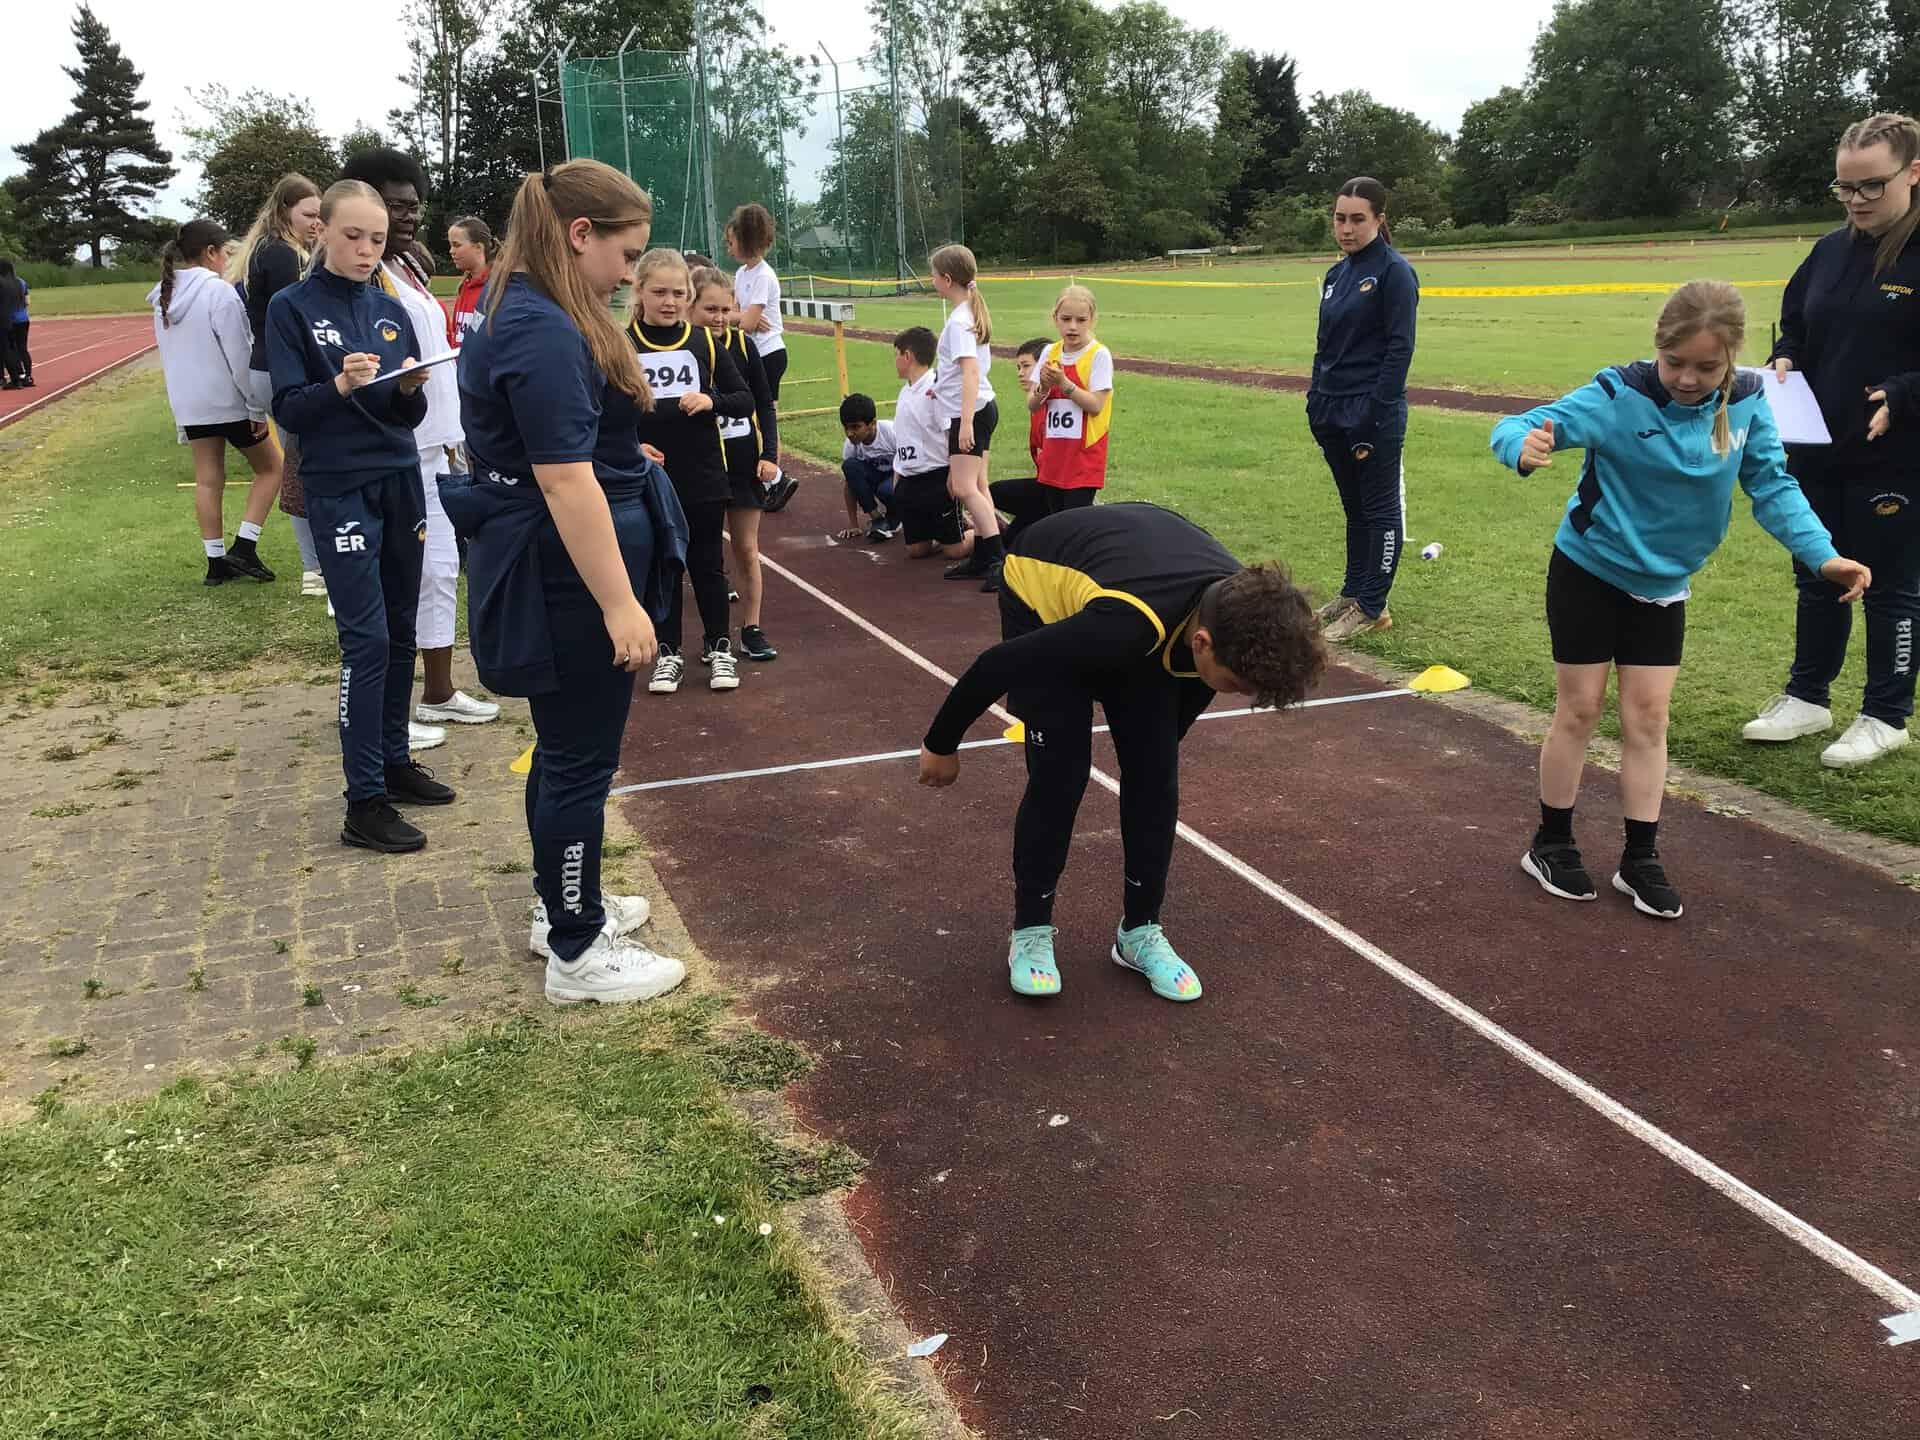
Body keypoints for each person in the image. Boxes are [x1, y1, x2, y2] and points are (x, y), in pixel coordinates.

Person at [1492, 281, 1872, 922]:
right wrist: (1522, 449)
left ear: (1731, 360)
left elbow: (1773, 486)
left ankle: (1640, 857)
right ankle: (1551, 843)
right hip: (1590, 570)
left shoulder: (1749, 403)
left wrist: (1824, 556)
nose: (1689, 380)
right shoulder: (1618, 394)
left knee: (1648, 719)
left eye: (1706, 367)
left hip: (1664, 584)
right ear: (1657, 349)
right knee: (1580, 709)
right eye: (1675, 364)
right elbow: (1520, 425)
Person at [445, 159, 687, 1005]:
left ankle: (561, 907)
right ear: (581, 235)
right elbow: (562, 478)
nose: (629, 274)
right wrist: (620, 605)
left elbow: (567, 452)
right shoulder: (541, 326)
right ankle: (578, 952)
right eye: (628, 254)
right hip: (567, 574)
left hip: (557, 557)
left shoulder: (528, 308)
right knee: (581, 760)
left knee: (561, 751)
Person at [918, 503, 1325, 1000]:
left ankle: (1139, 932)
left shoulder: (1234, 618)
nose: (1237, 694)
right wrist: (941, 743)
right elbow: (997, 664)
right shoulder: (1128, 626)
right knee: (1060, 776)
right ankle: (1030, 929)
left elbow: (1157, 750)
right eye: (1237, 685)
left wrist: (1148, 754)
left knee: (1154, 777)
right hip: (1043, 594)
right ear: (1202, 643)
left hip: (1129, 593)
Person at [267, 179, 451, 853]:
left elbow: (408, 414)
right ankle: (363, 802)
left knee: (402, 627)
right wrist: (341, 384)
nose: (366, 249)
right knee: (366, 639)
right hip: (339, 486)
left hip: (400, 477)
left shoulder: (389, 307)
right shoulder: (291, 306)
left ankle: (395, 761)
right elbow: (289, 408)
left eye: (376, 239)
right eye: (353, 235)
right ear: (321, 231)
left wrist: (408, 389)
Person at [1742, 111, 1920, 771]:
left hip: (1896, 454)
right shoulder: (1827, 251)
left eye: (1871, 185)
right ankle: (1807, 697)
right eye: (1845, 187)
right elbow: (1796, 324)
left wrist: (1903, 394)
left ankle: (1886, 715)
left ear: (1913, 173)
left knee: (1890, 587)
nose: (1856, 200)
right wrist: (1785, 356)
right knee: (1818, 574)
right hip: (1816, 446)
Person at [338, 149, 497, 745]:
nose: (409, 217)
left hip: (438, 443)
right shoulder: (359, 277)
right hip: (393, 449)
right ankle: (386, 712)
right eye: (396, 206)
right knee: (392, 583)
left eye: (413, 206)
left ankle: (438, 690)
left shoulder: (407, 268)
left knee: (440, 571)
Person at [626, 249, 754, 695]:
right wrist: (631, 446)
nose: (669, 302)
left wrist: (710, 400)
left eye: (678, 293)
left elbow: (744, 399)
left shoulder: (704, 342)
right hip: (649, 479)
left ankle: (719, 648)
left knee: (707, 566)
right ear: (640, 291)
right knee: (662, 568)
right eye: (659, 292)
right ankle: (668, 653)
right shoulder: (622, 344)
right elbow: (601, 411)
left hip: (702, 473)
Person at [1309, 176, 1419, 643]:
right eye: (1340, 218)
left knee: (1379, 508)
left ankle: (1373, 606)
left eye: (1357, 219)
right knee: (1353, 508)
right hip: (1330, 407)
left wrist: (1376, 409)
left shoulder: (1395, 272)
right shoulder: (1337, 275)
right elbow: (1325, 345)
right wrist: (1315, 397)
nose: (1347, 228)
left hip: (1372, 411)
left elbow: (1400, 348)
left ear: (1379, 219)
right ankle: (1353, 592)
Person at [148, 219, 285, 586]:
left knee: (208, 480)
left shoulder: (163, 297)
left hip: (192, 404)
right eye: (225, 252)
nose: (228, 260)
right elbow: (239, 354)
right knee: (273, 468)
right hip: (229, 401)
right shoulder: (219, 293)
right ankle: (245, 546)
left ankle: (215, 561)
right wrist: (255, 406)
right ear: (211, 253)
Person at [228, 174, 324, 595]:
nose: (317, 222)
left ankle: (316, 564)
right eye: (309, 214)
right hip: (281, 372)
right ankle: (314, 568)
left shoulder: (265, 249)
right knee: (302, 469)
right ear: (286, 210)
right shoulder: (282, 255)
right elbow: (296, 321)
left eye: (321, 215)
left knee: (300, 464)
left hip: (266, 370)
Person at [690, 263, 784, 661]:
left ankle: (751, 628)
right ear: (691, 307)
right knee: (706, 553)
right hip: (701, 466)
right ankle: (714, 635)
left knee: (746, 548)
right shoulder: (686, 348)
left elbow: (763, 402)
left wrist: (769, 454)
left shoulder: (743, 345)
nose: (719, 318)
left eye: (726, 309)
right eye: (710, 309)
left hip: (744, 463)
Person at [927, 243, 1004, 588]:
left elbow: (971, 372)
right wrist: (940, 388)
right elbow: (960, 373)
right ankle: (987, 556)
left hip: (971, 412)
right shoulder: (967, 313)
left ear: (946, 279)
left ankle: (997, 559)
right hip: (977, 407)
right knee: (977, 485)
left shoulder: (960, 320)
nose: (931, 280)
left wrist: (966, 422)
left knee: (963, 487)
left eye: (933, 275)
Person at [1025, 284, 1113, 525]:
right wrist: (1043, 387)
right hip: (1054, 456)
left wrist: (1064, 384)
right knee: (1055, 521)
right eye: (1066, 319)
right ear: (1055, 318)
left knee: (1074, 525)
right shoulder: (1049, 352)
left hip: (1084, 458)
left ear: (1092, 320)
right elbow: (1032, 404)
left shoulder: (1098, 355)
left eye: (1081, 320)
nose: (1073, 326)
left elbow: (1096, 405)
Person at [891, 326, 971, 564]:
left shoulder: (936, 389)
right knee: (917, 550)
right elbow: (904, 437)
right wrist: (898, 474)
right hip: (910, 481)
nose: (894, 361)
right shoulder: (905, 393)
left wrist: (954, 473)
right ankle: (940, 535)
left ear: (908, 356)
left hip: (937, 477)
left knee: (955, 552)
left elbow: (951, 432)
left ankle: (985, 532)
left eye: (896, 355)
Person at [986, 338, 1053, 546]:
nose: (1020, 373)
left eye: (1026, 366)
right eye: (1018, 367)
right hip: (1045, 485)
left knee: (993, 493)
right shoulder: (1035, 404)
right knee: (1010, 542)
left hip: (1055, 489)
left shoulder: (1052, 404)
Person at [838, 392, 900, 541]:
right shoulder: (850, 446)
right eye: (846, 428)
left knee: (886, 489)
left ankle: (899, 514)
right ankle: (878, 519)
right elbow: (850, 485)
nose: (850, 433)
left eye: (855, 427)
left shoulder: (892, 433)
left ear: (872, 423)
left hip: (899, 478)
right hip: (877, 479)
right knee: (849, 466)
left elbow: (911, 468)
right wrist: (854, 525)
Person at [446, 215, 495, 349]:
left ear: (478, 247)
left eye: (457, 245)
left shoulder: (496, 289)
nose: (451, 251)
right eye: (451, 245)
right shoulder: (464, 287)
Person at [0, 259, 32, 389]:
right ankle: (27, 376)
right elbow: (27, 301)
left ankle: (13, 378)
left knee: (7, 350)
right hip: (23, 318)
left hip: (9, 319)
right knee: (21, 349)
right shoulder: (20, 282)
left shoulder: (3, 283)